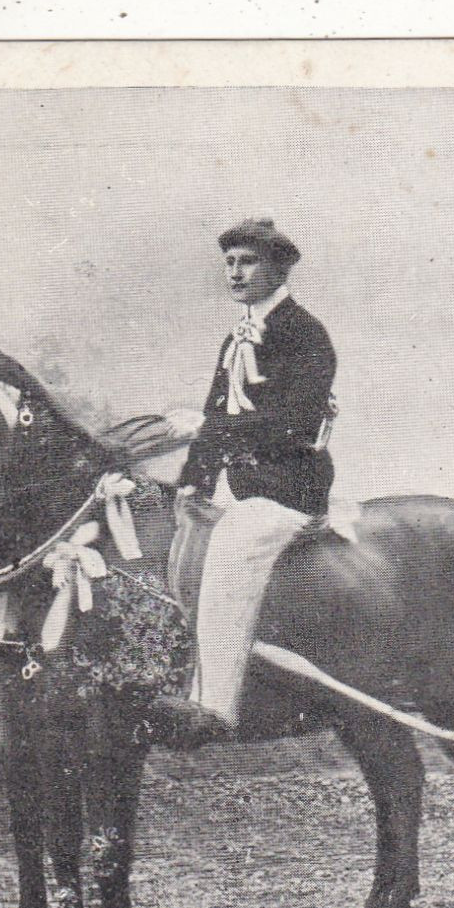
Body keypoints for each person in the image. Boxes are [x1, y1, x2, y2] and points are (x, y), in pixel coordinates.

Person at [154, 218, 338, 735]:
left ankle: (213, 708)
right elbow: (218, 415)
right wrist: (193, 479)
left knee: (233, 545)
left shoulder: (305, 334)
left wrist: (217, 430)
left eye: (247, 262)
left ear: (278, 268)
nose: (235, 273)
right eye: (230, 262)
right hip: (240, 486)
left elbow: (294, 423)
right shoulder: (234, 338)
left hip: (290, 486)